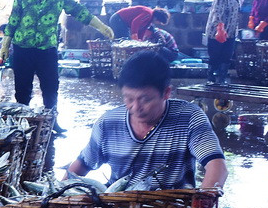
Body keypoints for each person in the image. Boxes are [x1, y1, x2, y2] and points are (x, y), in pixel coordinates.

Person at [66, 51, 228, 191]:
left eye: (145, 99)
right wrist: (56, 195)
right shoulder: (107, 123)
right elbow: (81, 165)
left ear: (166, 93)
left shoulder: (190, 117)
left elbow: (217, 166)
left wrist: (201, 204)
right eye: (128, 98)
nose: (136, 107)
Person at [0, 0, 114, 134]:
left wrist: (100, 25)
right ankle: (20, 120)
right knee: (22, 87)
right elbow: (13, 20)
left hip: (48, 49)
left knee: (51, 86)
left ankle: (52, 120)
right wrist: (6, 43)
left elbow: (78, 11)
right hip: (23, 48)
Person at [205, 0, 242, 84]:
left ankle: (222, 79)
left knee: (227, 55)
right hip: (217, 31)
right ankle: (211, 78)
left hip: (231, 31)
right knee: (215, 55)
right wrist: (220, 28)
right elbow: (217, 12)